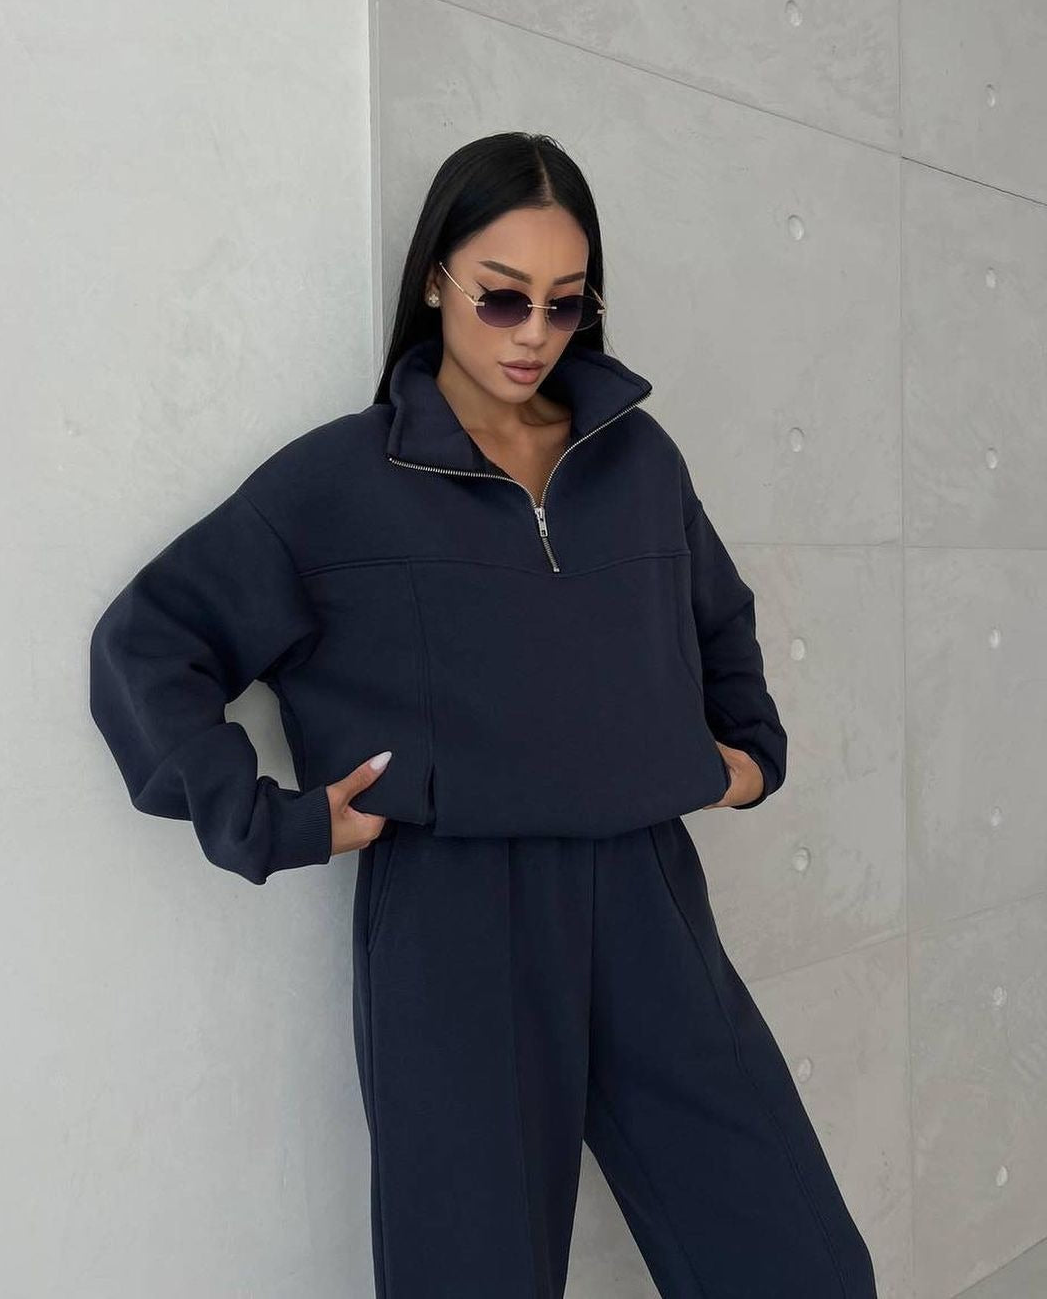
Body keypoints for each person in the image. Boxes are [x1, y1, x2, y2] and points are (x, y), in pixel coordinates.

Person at [89, 131, 878, 1298]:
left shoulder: (637, 460)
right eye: (502, 297)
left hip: (647, 891)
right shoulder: (338, 484)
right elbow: (149, 642)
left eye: (566, 303)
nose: (533, 334)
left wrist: (745, 759)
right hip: (455, 917)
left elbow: (718, 617)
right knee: (473, 1274)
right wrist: (274, 821)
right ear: (435, 280)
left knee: (796, 1260)